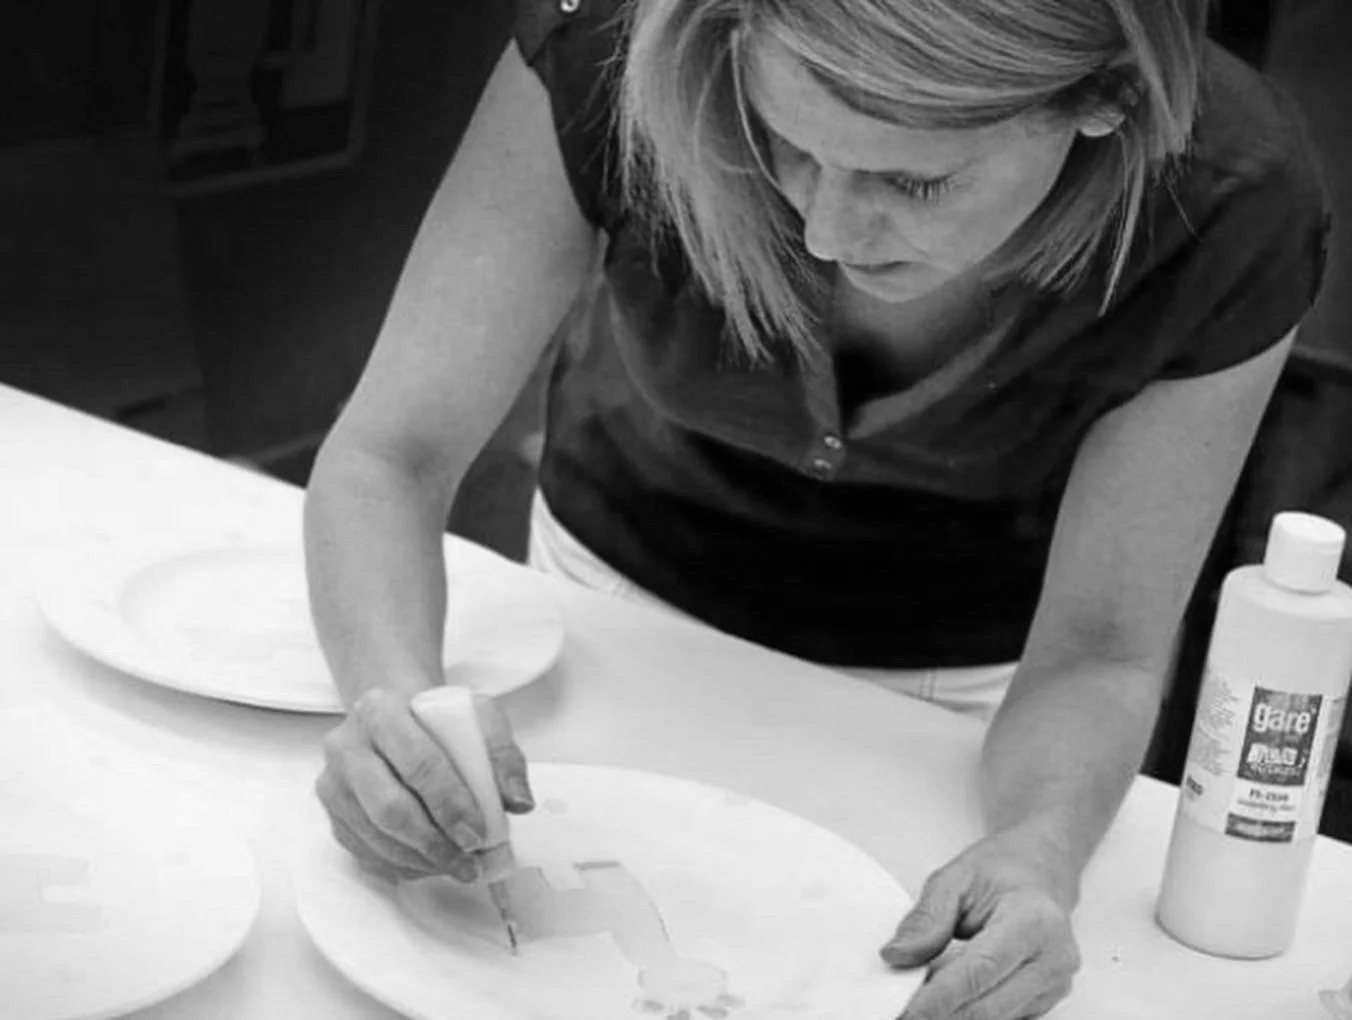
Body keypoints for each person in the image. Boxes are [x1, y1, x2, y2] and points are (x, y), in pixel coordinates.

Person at [303, 1, 1330, 1016]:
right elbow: (391, 456)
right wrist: (398, 709)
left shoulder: (1233, 202)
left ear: (1105, 99)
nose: (826, 232)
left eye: (913, 181)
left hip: (965, 718)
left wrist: (1038, 849)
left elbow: (1099, 650)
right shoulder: (609, 44)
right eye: (781, 145)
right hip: (606, 613)